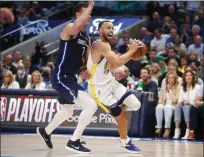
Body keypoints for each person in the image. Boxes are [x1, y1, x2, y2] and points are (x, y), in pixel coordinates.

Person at [36, 1, 98, 154]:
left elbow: (84, 61)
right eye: (86, 13)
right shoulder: (70, 28)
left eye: (90, 13)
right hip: (61, 77)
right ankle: (74, 141)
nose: (89, 16)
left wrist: (84, 70)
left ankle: (46, 131)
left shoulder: (87, 38)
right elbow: (76, 27)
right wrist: (90, 6)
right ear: (78, 15)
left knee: (68, 110)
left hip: (71, 78)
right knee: (91, 105)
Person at [87, 21, 144, 153]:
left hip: (111, 83)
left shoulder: (106, 45)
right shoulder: (99, 45)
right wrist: (131, 51)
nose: (111, 30)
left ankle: (121, 107)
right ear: (100, 31)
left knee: (136, 105)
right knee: (122, 118)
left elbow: (113, 66)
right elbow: (117, 62)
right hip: (99, 90)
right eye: (108, 28)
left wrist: (130, 54)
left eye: (112, 28)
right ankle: (125, 142)